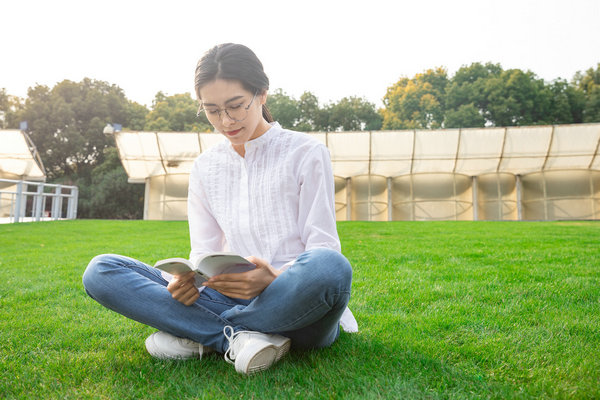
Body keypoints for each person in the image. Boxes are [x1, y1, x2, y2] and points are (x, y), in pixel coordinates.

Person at [82, 43, 357, 375]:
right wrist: (187, 281)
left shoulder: (306, 153)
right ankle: (234, 338)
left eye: (236, 106)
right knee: (102, 271)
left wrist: (272, 279)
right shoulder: (205, 167)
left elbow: (323, 246)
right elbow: (203, 253)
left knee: (331, 267)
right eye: (212, 110)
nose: (226, 121)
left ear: (262, 94)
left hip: (295, 300)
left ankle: (200, 333)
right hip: (226, 295)